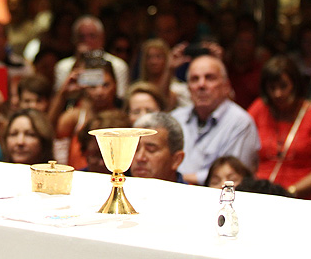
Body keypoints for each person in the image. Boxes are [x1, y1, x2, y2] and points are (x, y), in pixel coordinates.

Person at [171, 55, 260, 185]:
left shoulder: (240, 122)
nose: (201, 85)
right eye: (195, 79)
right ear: (189, 88)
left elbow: (234, 176)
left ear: (226, 86)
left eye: (210, 78)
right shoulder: (176, 118)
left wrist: (178, 178)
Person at [248, 55, 311, 198]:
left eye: (283, 86)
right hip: (261, 194)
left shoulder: (309, 114)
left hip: (300, 197)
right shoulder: (259, 108)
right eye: (272, 88)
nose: (278, 93)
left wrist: (291, 191)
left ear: (295, 84)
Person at [53, 15, 129, 97]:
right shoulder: (63, 67)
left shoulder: (118, 65)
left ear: (102, 38)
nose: (87, 41)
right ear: (74, 39)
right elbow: (60, 98)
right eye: (81, 37)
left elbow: (120, 97)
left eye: (92, 36)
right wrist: (78, 63)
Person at [131, 112, 186, 183]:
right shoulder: (116, 190)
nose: (139, 158)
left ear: (176, 160)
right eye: (135, 149)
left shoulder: (193, 194)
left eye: (151, 150)